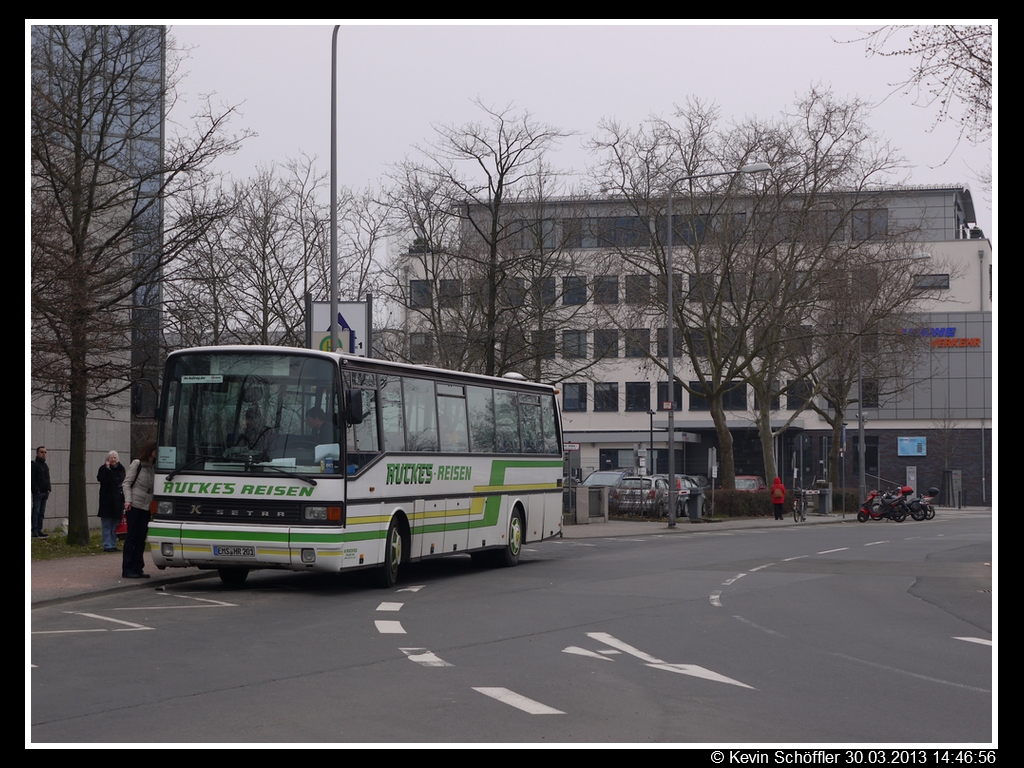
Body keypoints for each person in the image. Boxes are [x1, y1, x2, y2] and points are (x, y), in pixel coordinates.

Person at [121, 441, 157, 578]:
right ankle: (127, 568)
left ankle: (138, 566)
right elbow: (127, 483)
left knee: (141, 537)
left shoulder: (153, 467)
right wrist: (128, 500)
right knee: (132, 536)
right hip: (135, 503)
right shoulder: (137, 464)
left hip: (146, 505)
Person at [97, 451, 126, 552]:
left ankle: (113, 544)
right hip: (106, 502)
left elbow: (117, 480)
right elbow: (103, 479)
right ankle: (107, 545)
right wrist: (107, 469)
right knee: (106, 525)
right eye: (111, 458)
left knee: (115, 525)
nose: (113, 460)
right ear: (107, 459)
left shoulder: (121, 469)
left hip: (117, 501)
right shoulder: (103, 469)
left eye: (115, 458)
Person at [31, 446, 51, 538]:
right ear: (37, 453)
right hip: (38, 492)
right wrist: (37, 490)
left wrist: (48, 488)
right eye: (42, 452)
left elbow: (47, 478)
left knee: (41, 512)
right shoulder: (34, 465)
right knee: (36, 511)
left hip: (44, 492)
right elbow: (32, 479)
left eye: (45, 452)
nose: (44, 454)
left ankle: (39, 529)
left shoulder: (45, 465)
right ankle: (35, 529)